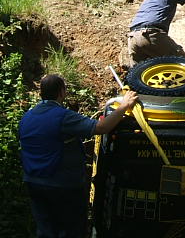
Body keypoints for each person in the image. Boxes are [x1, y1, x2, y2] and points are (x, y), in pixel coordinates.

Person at [19, 74, 138, 238]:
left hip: (34, 184)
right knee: (70, 231)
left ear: (41, 93)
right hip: (63, 186)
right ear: (62, 92)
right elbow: (101, 127)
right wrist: (124, 105)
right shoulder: (62, 117)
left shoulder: (26, 118)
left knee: (46, 231)